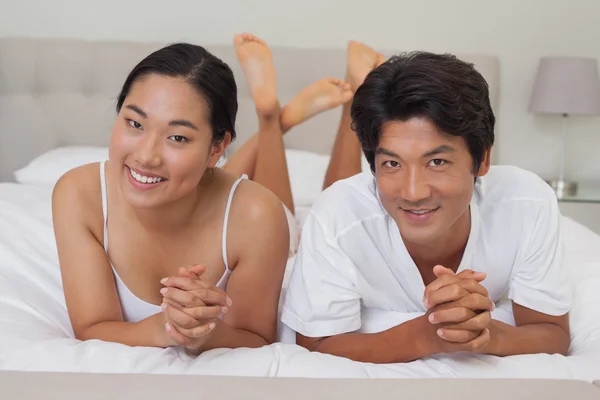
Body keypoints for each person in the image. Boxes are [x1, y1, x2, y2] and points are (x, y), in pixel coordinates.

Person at [281, 50, 572, 363]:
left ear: (483, 159)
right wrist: (427, 336)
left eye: (437, 162)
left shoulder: (526, 203)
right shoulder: (337, 216)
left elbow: (551, 332)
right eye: (392, 163)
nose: (413, 192)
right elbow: (314, 345)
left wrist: (484, 334)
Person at [52, 42, 290, 354]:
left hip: (252, 213)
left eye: (177, 137)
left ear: (217, 147)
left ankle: (271, 120)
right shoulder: (79, 195)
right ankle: (274, 120)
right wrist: (168, 328)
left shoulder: (258, 216)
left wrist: (208, 333)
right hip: (201, 182)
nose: (146, 157)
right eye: (135, 123)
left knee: (279, 205)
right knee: (204, 179)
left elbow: (257, 339)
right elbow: (91, 327)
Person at [222, 34, 385, 252]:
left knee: (212, 196)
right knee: (339, 215)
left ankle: (272, 120)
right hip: (284, 234)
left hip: (269, 236)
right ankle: (355, 102)